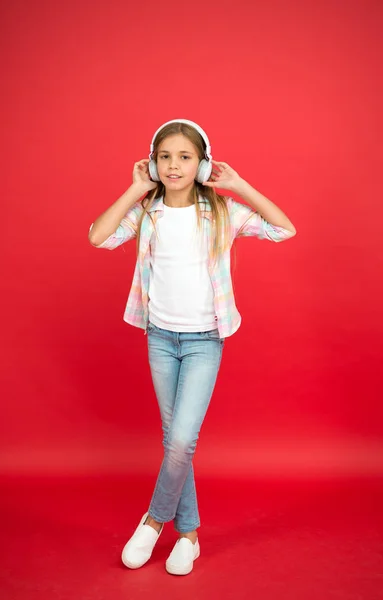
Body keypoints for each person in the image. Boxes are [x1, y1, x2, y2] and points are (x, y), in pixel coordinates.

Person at [88, 119, 296, 576]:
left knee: (181, 440)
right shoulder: (147, 213)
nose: (174, 165)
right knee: (174, 444)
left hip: (204, 341)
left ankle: (153, 519)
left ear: (202, 163)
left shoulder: (220, 210)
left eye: (185, 157)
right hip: (160, 338)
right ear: (153, 162)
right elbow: (97, 236)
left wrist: (240, 184)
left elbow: (285, 229)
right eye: (165, 157)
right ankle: (189, 534)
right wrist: (133, 189)